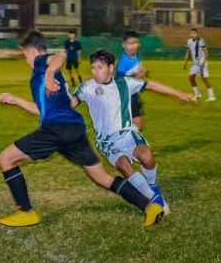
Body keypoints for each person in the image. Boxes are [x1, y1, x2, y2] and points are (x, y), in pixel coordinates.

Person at [0, 31, 163, 228]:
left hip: (56, 130)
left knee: (5, 159)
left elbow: (60, 56)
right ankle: (150, 207)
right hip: (73, 129)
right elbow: (41, 111)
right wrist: (15, 100)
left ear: (32, 51)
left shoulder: (42, 63)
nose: (25, 59)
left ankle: (26, 212)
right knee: (102, 177)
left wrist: (49, 72)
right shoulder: (40, 78)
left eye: (25, 54)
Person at [74, 49, 194, 215]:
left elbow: (150, 85)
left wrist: (178, 93)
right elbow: (71, 102)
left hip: (128, 134)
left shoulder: (124, 83)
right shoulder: (87, 88)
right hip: (107, 141)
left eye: (99, 67)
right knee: (124, 165)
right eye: (93, 68)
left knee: (146, 156)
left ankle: (152, 185)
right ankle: (155, 198)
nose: (95, 72)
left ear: (111, 68)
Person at [116, 31, 147, 130]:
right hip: (126, 97)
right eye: (130, 43)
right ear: (123, 45)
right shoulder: (123, 61)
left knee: (139, 127)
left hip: (134, 94)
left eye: (135, 42)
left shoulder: (136, 55)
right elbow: (119, 81)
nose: (133, 46)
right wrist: (136, 77)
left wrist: (141, 73)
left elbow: (134, 72)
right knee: (136, 127)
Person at [183, 28, 216, 101]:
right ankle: (197, 94)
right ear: (190, 34)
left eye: (194, 33)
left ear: (197, 34)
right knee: (191, 77)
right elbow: (187, 52)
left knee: (204, 79)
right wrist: (185, 63)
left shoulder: (201, 41)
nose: (193, 34)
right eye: (191, 33)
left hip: (201, 62)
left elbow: (206, 52)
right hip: (195, 64)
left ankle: (212, 96)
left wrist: (203, 62)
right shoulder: (189, 41)